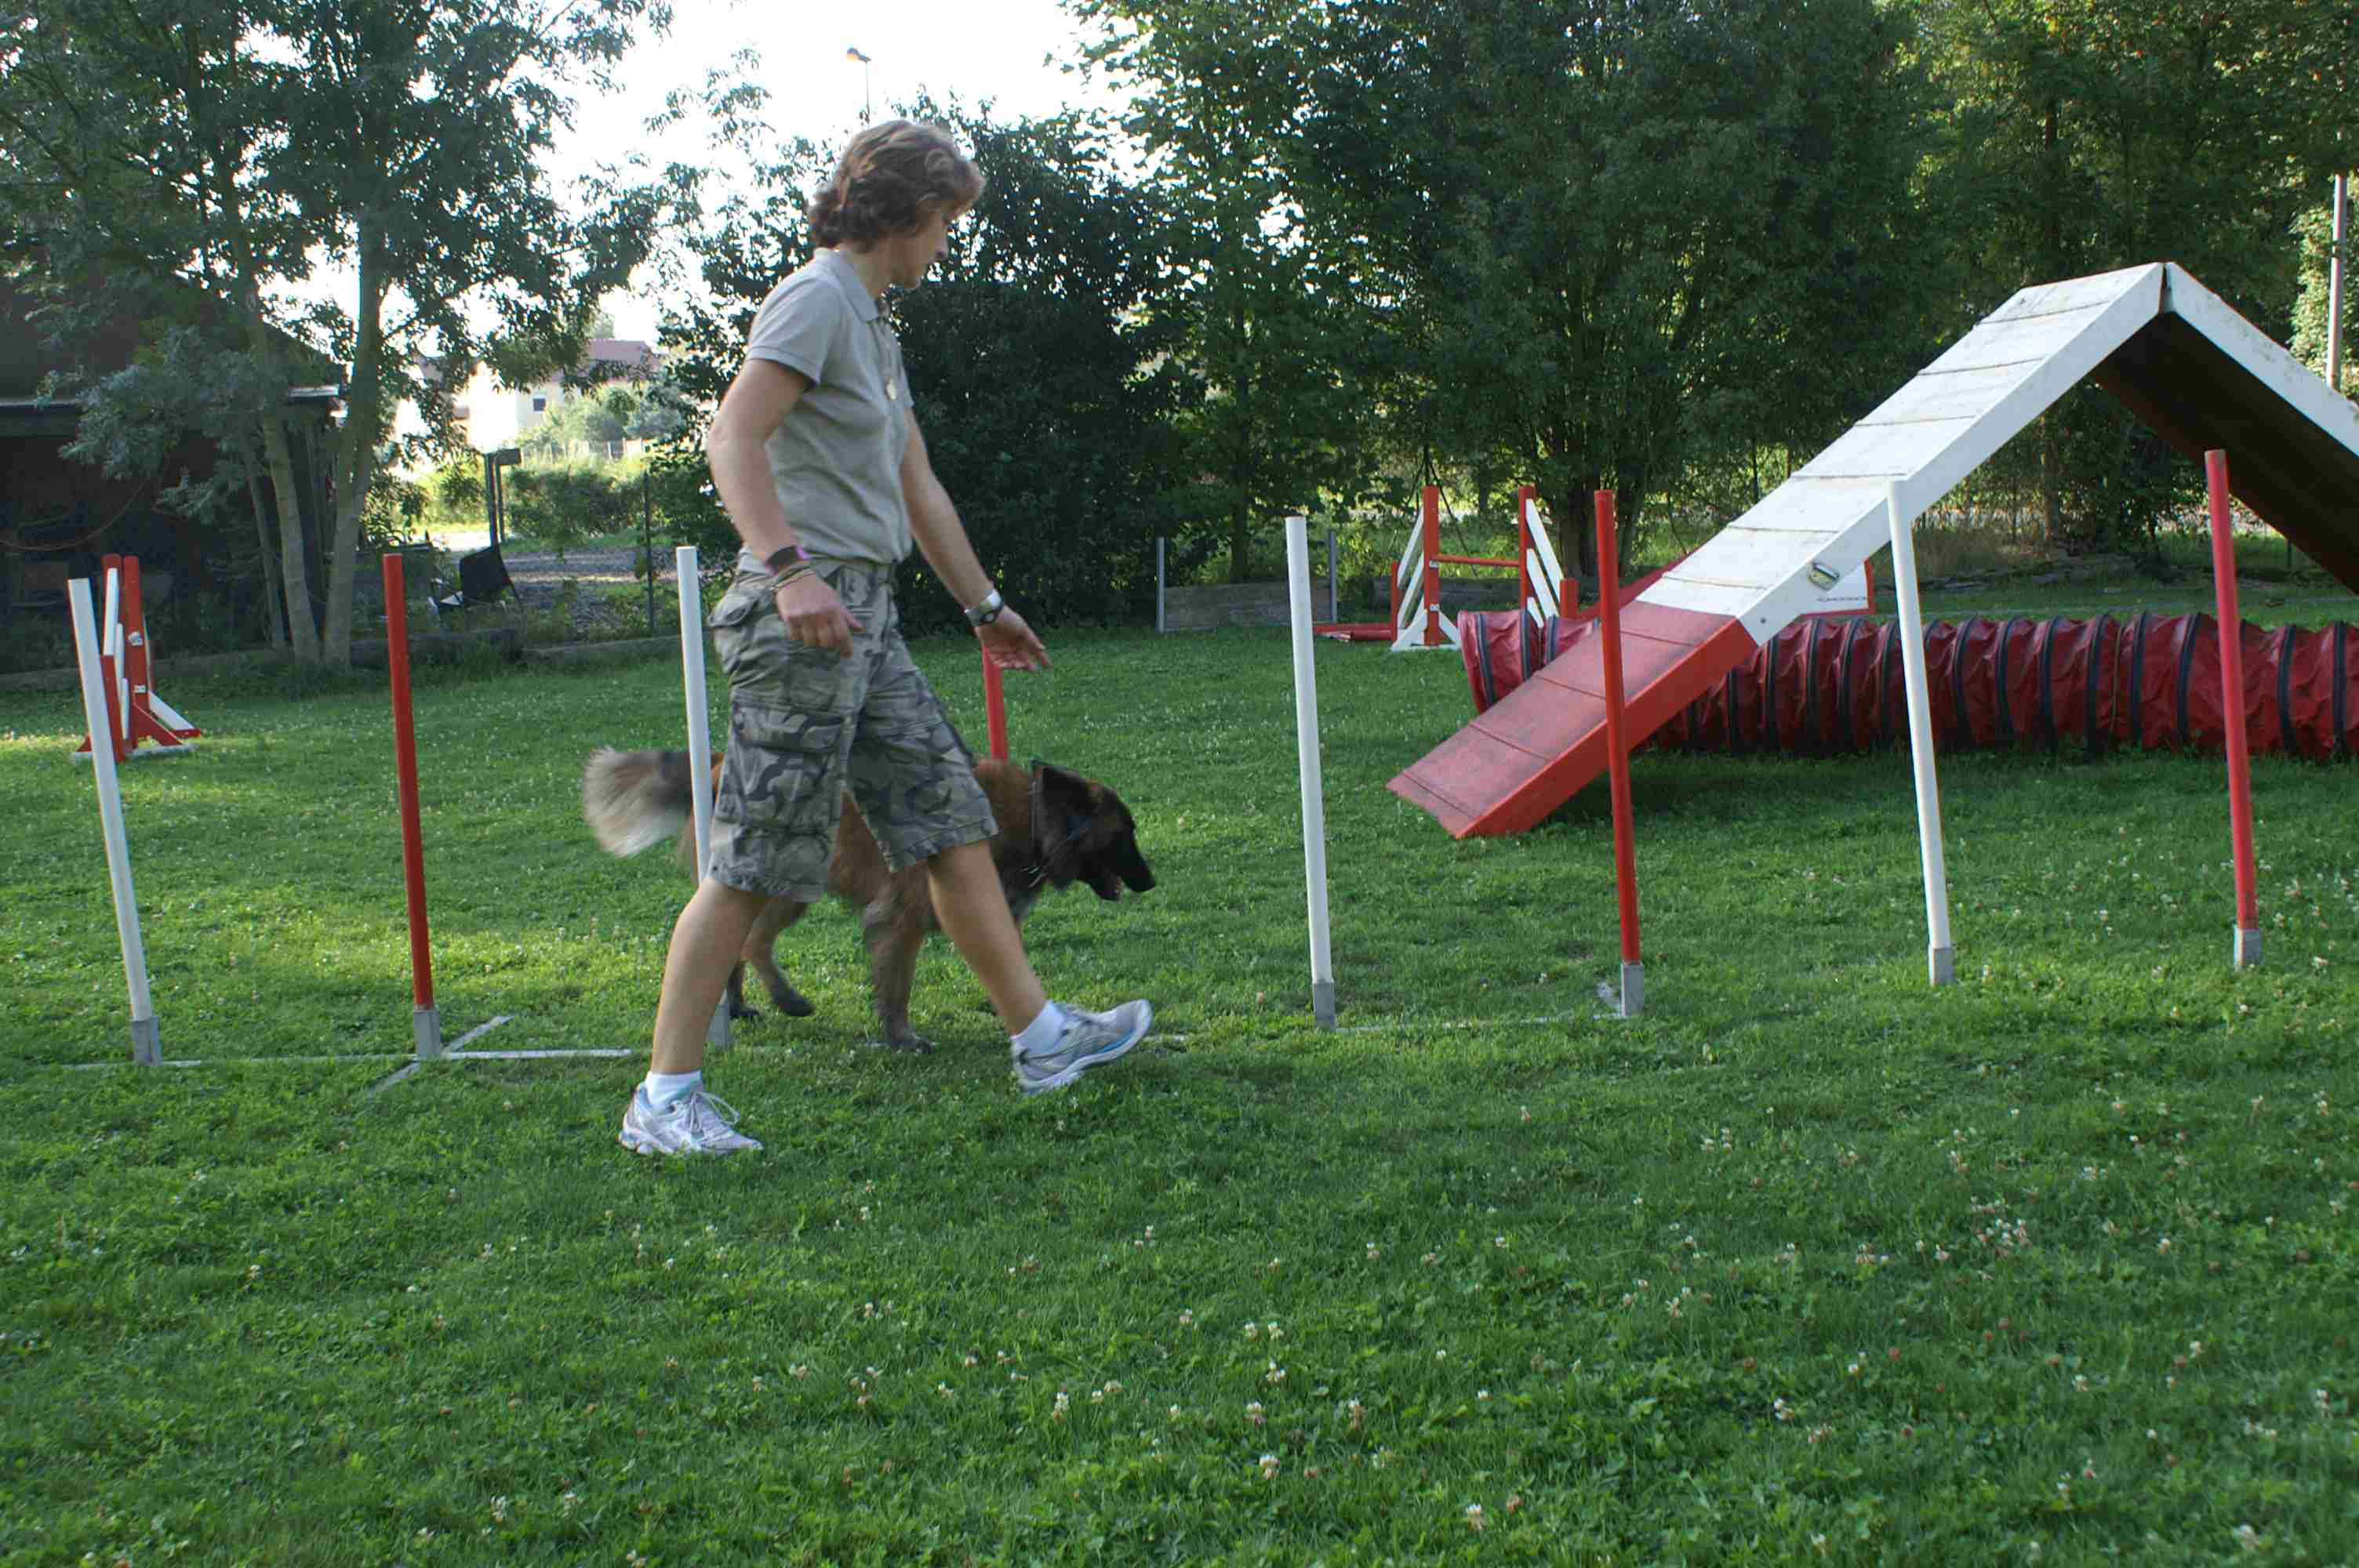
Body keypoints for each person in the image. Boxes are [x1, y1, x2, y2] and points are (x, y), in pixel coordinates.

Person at [619, 120, 1153, 1156]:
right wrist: (790, 571)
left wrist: (984, 606)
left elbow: (917, 486)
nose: (948, 241)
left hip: (866, 617)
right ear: (907, 208)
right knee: (755, 860)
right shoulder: (817, 298)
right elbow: (732, 437)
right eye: (947, 220)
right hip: (802, 621)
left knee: (951, 822)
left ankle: (1042, 1041)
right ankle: (665, 1099)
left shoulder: (872, 326)